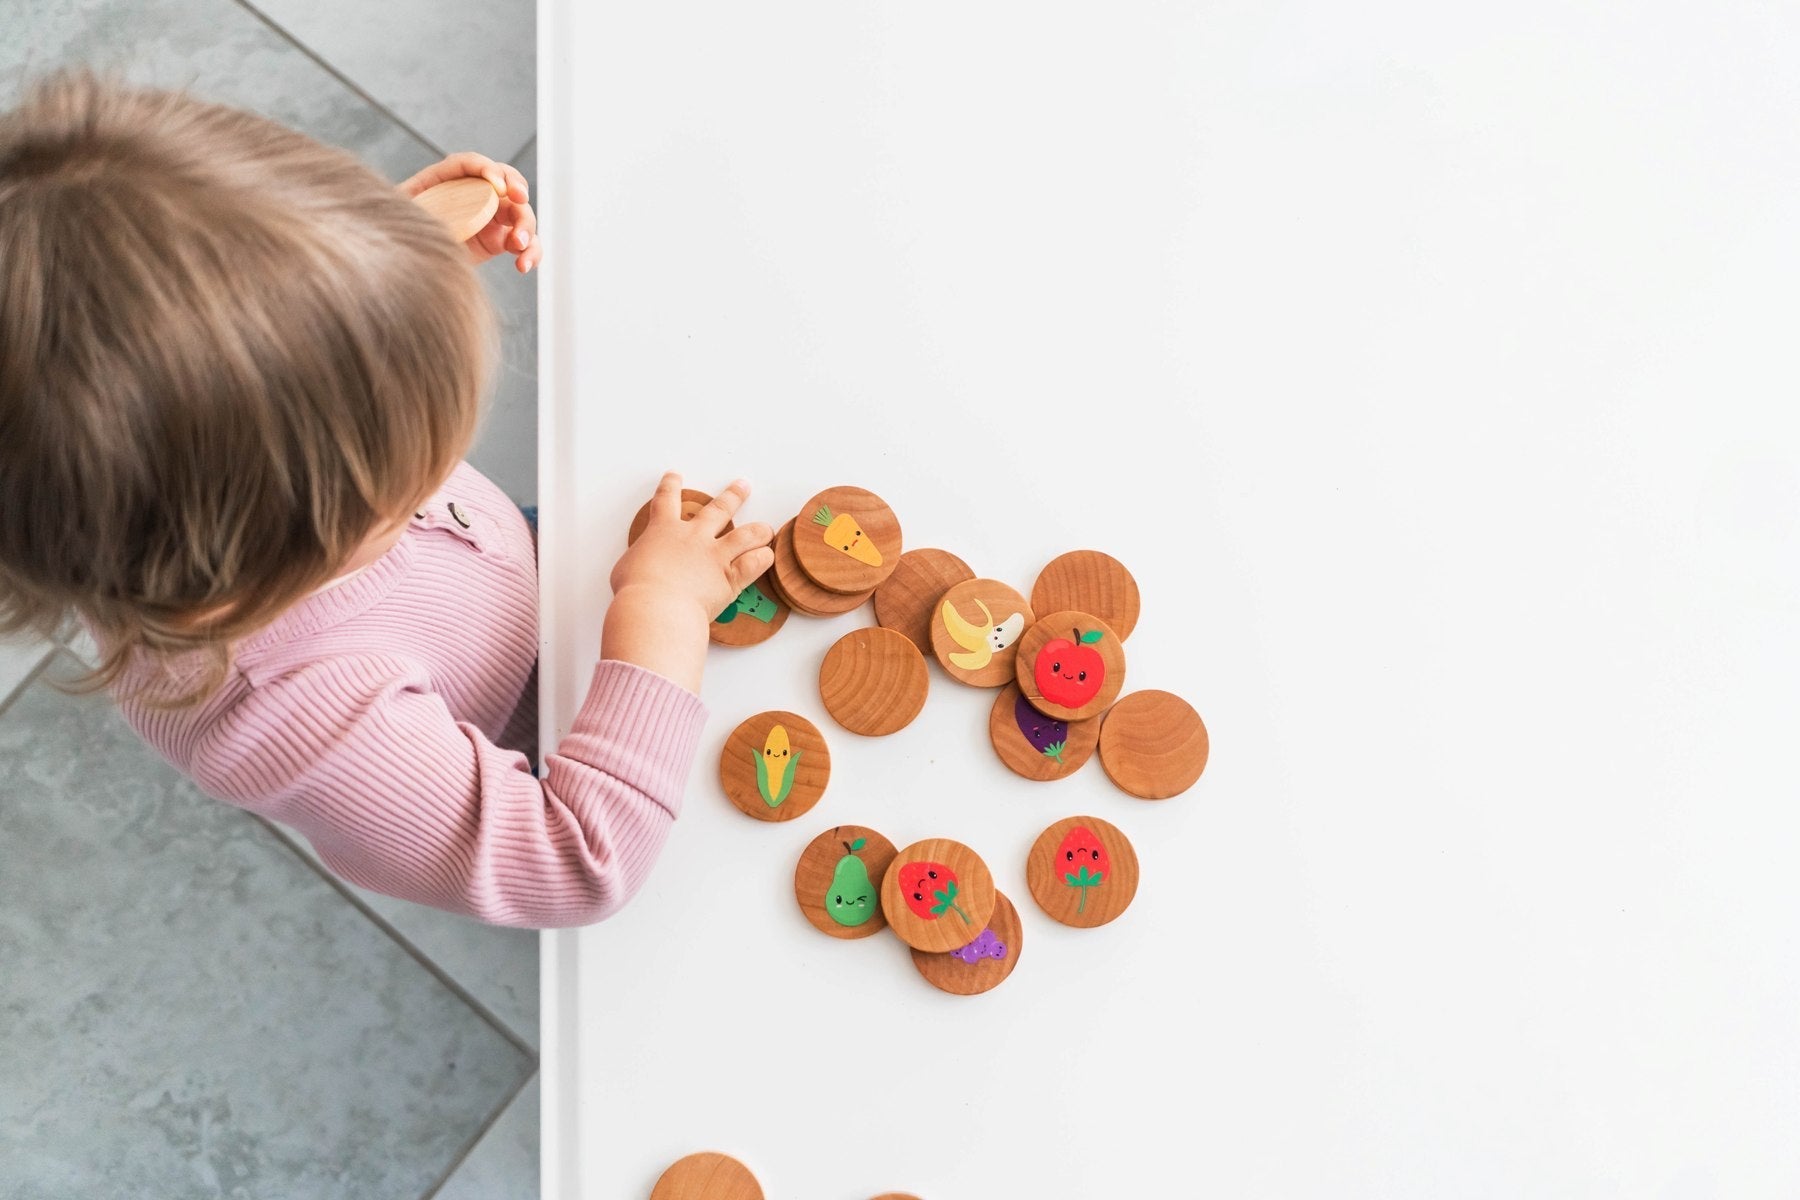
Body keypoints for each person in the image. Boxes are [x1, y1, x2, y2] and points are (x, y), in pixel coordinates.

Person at [0, 73, 773, 927]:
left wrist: (390, 266)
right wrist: (660, 608)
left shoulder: (181, 498)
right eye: (402, 473)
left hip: (514, 577)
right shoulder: (308, 720)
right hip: (562, 725)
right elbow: (572, 864)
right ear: (275, 548)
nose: (437, 468)